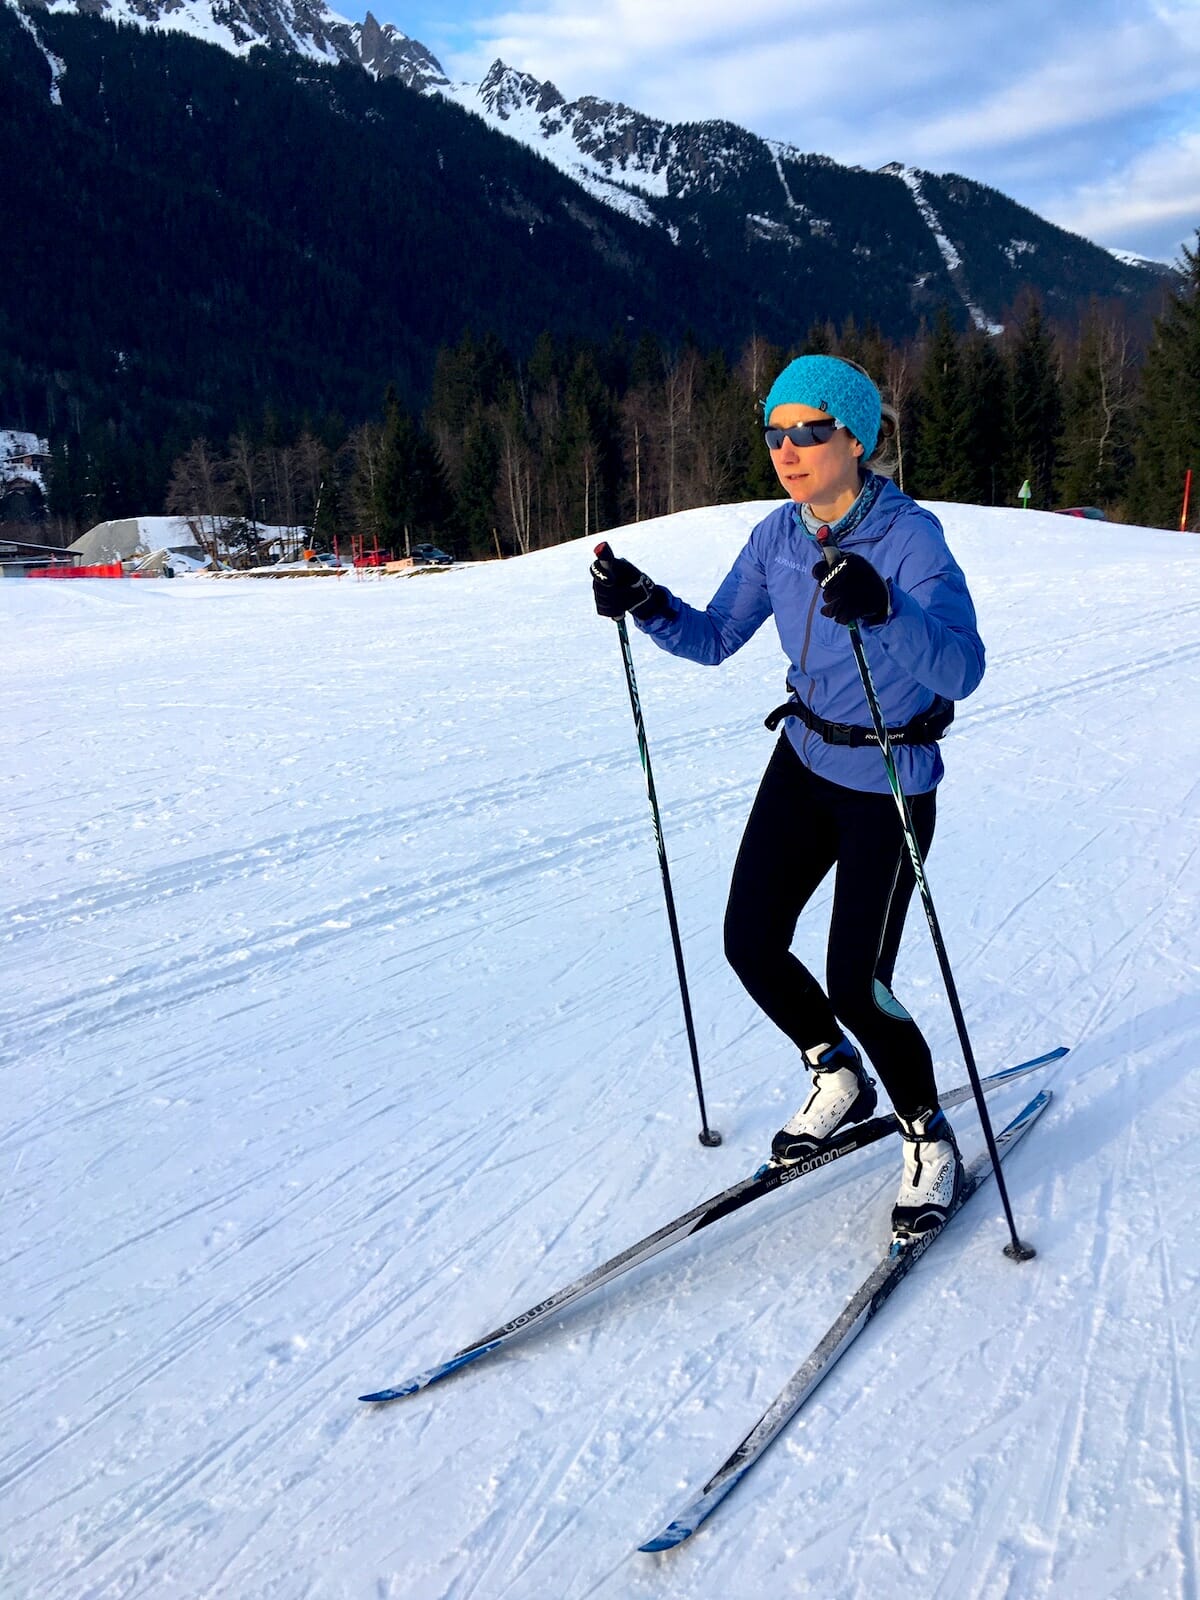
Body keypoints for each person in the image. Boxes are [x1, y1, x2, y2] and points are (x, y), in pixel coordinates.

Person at [591, 354, 985, 1246]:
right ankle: (837, 1073)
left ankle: (928, 1135)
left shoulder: (910, 539)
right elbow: (716, 636)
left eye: (809, 432)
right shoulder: (779, 536)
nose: (788, 449)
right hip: (805, 760)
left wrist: (885, 606)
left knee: (859, 980)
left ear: (855, 438)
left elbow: (964, 666)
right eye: (774, 432)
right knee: (750, 942)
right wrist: (646, 600)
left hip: (889, 778)